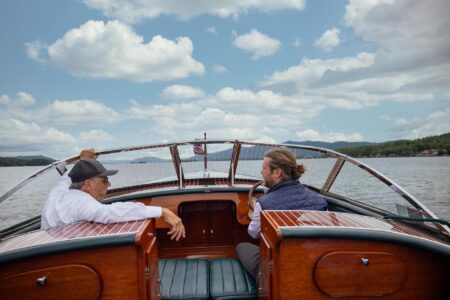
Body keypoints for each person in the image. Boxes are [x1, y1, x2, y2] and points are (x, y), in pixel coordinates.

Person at [41, 149, 185, 241]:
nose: (109, 185)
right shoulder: (82, 204)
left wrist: (83, 162)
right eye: (104, 181)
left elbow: (66, 178)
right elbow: (110, 212)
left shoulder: (58, 192)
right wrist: (162, 211)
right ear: (88, 184)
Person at [236, 147, 327, 279]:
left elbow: (253, 233)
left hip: (277, 268)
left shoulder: (264, 203)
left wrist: (255, 214)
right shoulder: (319, 200)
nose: (262, 172)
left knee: (241, 246)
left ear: (277, 172)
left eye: (264, 168)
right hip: (312, 263)